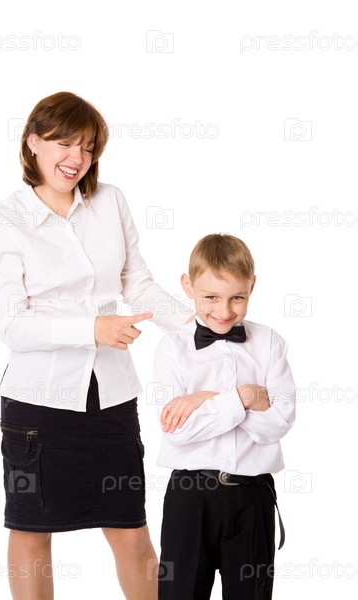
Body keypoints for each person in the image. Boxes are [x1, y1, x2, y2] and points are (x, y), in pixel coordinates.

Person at [0, 91, 191, 600]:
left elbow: (138, 285)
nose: (76, 157)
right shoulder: (5, 219)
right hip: (38, 402)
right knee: (32, 531)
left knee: (131, 530)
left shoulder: (110, 201)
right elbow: (12, 324)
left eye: (88, 147)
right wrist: (92, 328)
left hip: (112, 397)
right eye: (64, 143)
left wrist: (200, 328)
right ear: (33, 142)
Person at [153, 233, 296, 600]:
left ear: (252, 286)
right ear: (188, 287)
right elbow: (177, 431)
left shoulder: (269, 343)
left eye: (237, 297)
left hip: (252, 496)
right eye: (211, 297)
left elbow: (278, 424)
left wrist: (204, 401)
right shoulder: (172, 348)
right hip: (190, 498)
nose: (224, 310)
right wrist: (244, 397)